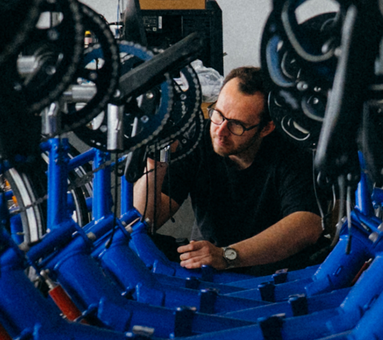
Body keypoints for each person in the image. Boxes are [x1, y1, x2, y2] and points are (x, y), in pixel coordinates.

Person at [133, 65, 324, 273]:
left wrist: (227, 256)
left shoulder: (292, 149)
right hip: (214, 269)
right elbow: (145, 220)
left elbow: (307, 226)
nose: (220, 131)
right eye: (218, 114)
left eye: (236, 124)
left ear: (267, 128)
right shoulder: (199, 138)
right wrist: (156, 160)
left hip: (277, 274)